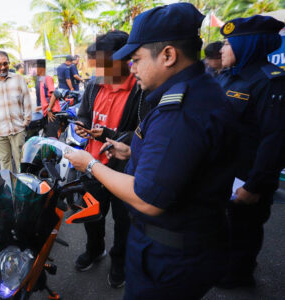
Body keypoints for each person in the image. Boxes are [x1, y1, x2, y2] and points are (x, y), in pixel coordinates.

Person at [65, 3, 236, 299]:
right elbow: (178, 159)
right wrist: (132, 153)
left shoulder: (178, 109)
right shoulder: (197, 91)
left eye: (136, 59)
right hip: (184, 242)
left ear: (168, 55)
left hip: (169, 255)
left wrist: (90, 165)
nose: (133, 68)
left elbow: (147, 197)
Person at [71, 30, 150, 289]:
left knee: (124, 220)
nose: (100, 68)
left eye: (105, 62)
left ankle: (120, 260)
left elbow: (144, 131)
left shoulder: (141, 89)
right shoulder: (94, 84)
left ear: (124, 59)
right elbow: (84, 113)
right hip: (92, 165)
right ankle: (95, 250)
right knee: (92, 214)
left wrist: (109, 134)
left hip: (124, 169)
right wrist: (83, 125)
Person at [216, 15, 285, 289]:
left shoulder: (272, 82)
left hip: (247, 178)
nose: (221, 49)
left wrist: (255, 185)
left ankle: (239, 276)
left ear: (247, 45)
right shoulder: (228, 78)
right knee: (224, 227)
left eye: (228, 44)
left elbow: (275, 140)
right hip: (223, 172)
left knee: (244, 230)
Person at [0, 50, 32, 172]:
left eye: (5, 63)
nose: (2, 67)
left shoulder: (18, 79)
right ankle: (9, 188)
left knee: (21, 162)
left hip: (18, 129)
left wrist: (26, 121)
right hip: (0, 131)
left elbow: (27, 101)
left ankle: (22, 188)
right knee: (5, 163)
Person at [33, 59, 59, 138]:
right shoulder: (41, 80)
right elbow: (47, 97)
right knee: (47, 137)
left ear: (41, 68)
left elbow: (54, 94)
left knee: (52, 139)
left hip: (51, 113)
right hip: (47, 113)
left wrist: (49, 109)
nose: (34, 71)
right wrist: (42, 107)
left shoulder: (48, 78)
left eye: (35, 68)